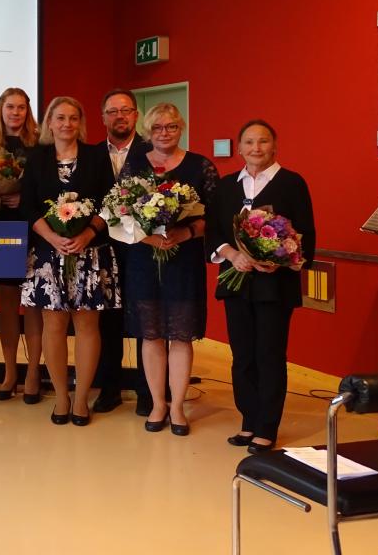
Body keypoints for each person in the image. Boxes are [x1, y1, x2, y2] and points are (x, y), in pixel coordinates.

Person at [206, 120, 315, 453]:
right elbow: (214, 231)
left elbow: (306, 234)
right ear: (239, 148)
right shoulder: (226, 186)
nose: (256, 148)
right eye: (249, 142)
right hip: (236, 282)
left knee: (269, 354)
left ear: (275, 145)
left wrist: (279, 259)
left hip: (274, 286)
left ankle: (267, 426)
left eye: (263, 141)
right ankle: (249, 420)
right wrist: (232, 255)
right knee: (242, 356)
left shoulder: (292, 183)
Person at [121, 102, 219, 437]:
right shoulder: (135, 165)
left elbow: (215, 217)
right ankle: (157, 403)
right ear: (148, 131)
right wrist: (150, 238)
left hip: (183, 261)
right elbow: (120, 212)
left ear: (182, 129)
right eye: (158, 128)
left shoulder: (200, 166)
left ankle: (177, 406)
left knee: (180, 334)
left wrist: (185, 232)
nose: (165, 133)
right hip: (144, 261)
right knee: (151, 334)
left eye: (172, 127)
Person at [20, 97, 119, 426]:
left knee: (87, 326)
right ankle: (61, 397)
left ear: (80, 123)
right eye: (60, 118)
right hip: (48, 254)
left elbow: (109, 202)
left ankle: (81, 399)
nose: (66, 124)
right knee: (54, 326)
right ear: (49, 122)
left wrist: (87, 234)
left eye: (73, 118)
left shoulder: (96, 156)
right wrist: (52, 237)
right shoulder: (36, 158)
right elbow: (28, 206)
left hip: (90, 252)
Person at [0, 87, 43, 403]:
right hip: (1, 228)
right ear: (0, 110)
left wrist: (23, 198)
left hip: (35, 229)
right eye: (10, 107)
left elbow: (49, 188)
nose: (16, 113)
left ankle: (32, 372)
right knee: (6, 304)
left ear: (28, 111)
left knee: (33, 304)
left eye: (21, 107)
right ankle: (9, 372)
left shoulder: (41, 146)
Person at [91, 89, 154, 416]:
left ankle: (148, 391)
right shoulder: (90, 155)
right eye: (113, 111)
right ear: (103, 117)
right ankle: (109, 388)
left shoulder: (152, 151)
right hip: (102, 247)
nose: (120, 116)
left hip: (142, 249)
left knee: (145, 319)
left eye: (125, 110)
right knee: (107, 321)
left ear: (135, 115)